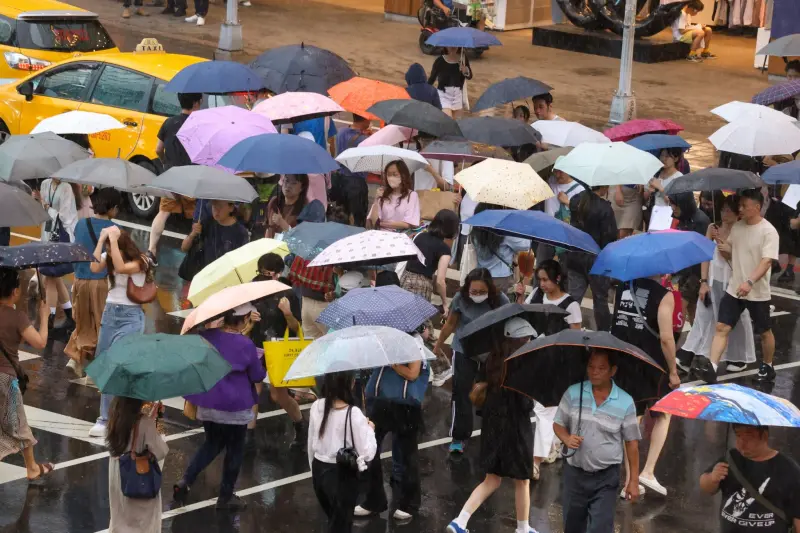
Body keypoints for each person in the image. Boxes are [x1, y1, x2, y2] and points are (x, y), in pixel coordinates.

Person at [446, 318, 539, 533]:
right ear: (521, 340)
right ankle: (523, 528)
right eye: (527, 338)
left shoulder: (491, 360)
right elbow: (525, 404)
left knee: (491, 479)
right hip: (517, 430)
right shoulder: (523, 366)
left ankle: (460, 521)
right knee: (522, 480)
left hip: (492, 427)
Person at [174, 303, 266, 510]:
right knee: (235, 450)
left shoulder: (207, 336)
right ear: (243, 320)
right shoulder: (245, 344)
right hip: (236, 407)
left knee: (212, 443)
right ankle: (225, 496)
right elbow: (257, 375)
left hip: (209, 403)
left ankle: (186, 480)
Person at [696, 189, 780, 384]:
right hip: (734, 288)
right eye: (739, 205)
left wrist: (750, 282)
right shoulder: (738, 227)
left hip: (757, 291)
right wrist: (723, 246)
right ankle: (713, 367)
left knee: (764, 331)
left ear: (757, 207)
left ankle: (768, 365)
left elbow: (767, 261)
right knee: (722, 326)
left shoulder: (768, 231)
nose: (739, 209)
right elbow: (731, 254)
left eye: (744, 205)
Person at [554, 349, 641, 533]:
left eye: (601, 368)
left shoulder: (625, 402)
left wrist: (634, 480)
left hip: (606, 478)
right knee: (572, 527)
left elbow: (632, 443)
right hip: (574, 475)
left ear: (613, 371)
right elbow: (558, 424)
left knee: (600, 528)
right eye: (591, 367)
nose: (594, 372)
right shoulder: (573, 393)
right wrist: (566, 438)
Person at [612, 274, 681, 497]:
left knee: (632, 417)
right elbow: (666, 339)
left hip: (624, 360)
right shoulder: (664, 296)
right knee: (663, 414)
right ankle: (647, 472)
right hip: (651, 363)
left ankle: (629, 479)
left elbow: (617, 325)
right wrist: (673, 371)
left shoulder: (623, 286)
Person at [433, 268, 509, 454]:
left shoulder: (501, 300)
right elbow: (451, 324)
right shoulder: (460, 298)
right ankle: (459, 437)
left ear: (489, 290)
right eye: (473, 291)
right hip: (463, 351)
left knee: (492, 394)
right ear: (467, 288)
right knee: (461, 393)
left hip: (490, 352)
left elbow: (507, 326)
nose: (477, 295)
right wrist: (438, 344)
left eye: (481, 292)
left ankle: (492, 434)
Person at [517, 260, 581, 480]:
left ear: (558, 279)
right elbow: (523, 318)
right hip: (534, 360)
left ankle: (536, 461)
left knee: (545, 410)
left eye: (545, 279)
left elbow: (576, 339)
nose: (542, 284)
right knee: (541, 409)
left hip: (557, 366)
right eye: (540, 279)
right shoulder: (535, 294)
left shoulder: (571, 305)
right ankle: (552, 445)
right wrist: (519, 297)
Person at [678, 195, 756, 374]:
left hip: (733, 279)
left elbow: (736, 261)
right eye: (722, 209)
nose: (724, 213)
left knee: (735, 321)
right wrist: (703, 281)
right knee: (703, 315)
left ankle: (739, 356)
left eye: (729, 210)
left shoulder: (741, 230)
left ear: (738, 214)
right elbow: (706, 255)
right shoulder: (712, 227)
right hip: (713, 278)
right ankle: (687, 353)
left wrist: (725, 246)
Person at [356, 331, 429, 521]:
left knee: (407, 455)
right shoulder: (383, 337)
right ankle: (373, 500)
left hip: (404, 404)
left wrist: (393, 363)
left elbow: (413, 373)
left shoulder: (413, 341)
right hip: (380, 400)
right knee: (368, 449)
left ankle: (410, 503)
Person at [88, 227, 148, 438]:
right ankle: (106, 418)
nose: (107, 246)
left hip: (131, 317)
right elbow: (94, 267)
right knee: (106, 366)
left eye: (111, 243)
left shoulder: (141, 261)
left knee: (119, 366)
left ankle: (112, 418)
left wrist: (112, 240)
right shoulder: (109, 255)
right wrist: (102, 239)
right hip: (110, 314)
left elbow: (122, 268)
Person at [0, 268, 53, 482]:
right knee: (19, 424)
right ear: (14, 291)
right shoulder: (17, 317)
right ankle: (31, 468)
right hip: (6, 380)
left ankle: (32, 466)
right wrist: (44, 317)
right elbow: (40, 342)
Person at [308, 371, 377, 533]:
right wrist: (370, 429)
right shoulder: (353, 413)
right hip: (342, 475)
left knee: (334, 519)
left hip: (319, 471)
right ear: (350, 384)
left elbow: (311, 443)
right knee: (341, 525)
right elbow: (367, 452)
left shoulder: (317, 406)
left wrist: (314, 470)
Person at [250, 254, 308, 446]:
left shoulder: (287, 294)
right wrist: (249, 319)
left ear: (279, 274)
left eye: (269, 274)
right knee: (253, 391)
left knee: (278, 394)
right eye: (262, 273)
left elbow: (295, 327)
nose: (265, 278)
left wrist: (288, 313)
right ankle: (249, 437)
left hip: (278, 347)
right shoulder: (251, 289)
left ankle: (300, 424)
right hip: (256, 345)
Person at [700, 424, 800, 533]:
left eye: (748, 437)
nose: (742, 443)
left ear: (765, 436)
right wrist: (712, 478)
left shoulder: (788, 469)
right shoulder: (731, 458)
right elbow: (706, 487)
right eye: (738, 436)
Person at [65, 189, 121, 378]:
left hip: (80, 280)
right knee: (101, 326)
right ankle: (93, 369)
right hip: (101, 283)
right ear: (112, 209)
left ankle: (75, 359)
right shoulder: (114, 230)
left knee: (83, 323)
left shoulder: (81, 225)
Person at [149, 92, 203, 265]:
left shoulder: (169, 122)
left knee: (163, 212)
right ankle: (194, 252)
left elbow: (158, 149)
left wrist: (166, 163)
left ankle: (151, 250)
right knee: (196, 216)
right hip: (191, 177)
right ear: (196, 103)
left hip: (171, 175)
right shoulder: (199, 125)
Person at [107, 398, 168, 532]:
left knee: (120, 519)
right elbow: (161, 451)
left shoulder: (115, 417)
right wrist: (155, 421)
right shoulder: (144, 422)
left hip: (118, 472)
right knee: (141, 524)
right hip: (138, 476)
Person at [566, 186, 617, 331]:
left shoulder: (575, 201)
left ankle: (567, 332)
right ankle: (603, 336)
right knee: (600, 301)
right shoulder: (604, 208)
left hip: (575, 256)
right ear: (604, 186)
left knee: (573, 299)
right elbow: (610, 238)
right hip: (598, 260)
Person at [36, 176, 78, 333]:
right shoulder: (44, 184)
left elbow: (66, 215)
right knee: (54, 276)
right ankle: (70, 315)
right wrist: (41, 203)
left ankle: (50, 319)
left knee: (50, 277)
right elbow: (43, 210)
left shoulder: (67, 187)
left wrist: (48, 208)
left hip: (60, 235)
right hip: (47, 235)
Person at [401, 208, 458, 312]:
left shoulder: (419, 236)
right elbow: (440, 281)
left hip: (405, 279)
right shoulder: (444, 248)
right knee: (420, 323)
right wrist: (445, 303)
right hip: (421, 285)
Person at [669, 191, 711, 325]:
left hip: (695, 272)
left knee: (679, 309)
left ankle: (675, 342)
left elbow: (701, 250)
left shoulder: (700, 221)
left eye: (675, 205)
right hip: (684, 269)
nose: (673, 208)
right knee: (692, 308)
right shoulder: (683, 218)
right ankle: (696, 340)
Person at [471, 203, 531, 293]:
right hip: (501, 279)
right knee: (500, 306)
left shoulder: (475, 232)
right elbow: (525, 244)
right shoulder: (504, 232)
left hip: (481, 276)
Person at [181, 200, 249, 271]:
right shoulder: (205, 223)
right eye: (213, 206)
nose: (216, 210)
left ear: (231, 208)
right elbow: (184, 248)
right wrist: (193, 233)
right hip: (203, 273)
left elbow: (242, 261)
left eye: (220, 206)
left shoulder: (240, 232)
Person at [537, 166, 585, 265]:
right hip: (547, 233)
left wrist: (567, 202)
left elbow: (584, 212)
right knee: (541, 266)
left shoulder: (580, 189)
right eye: (555, 171)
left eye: (561, 172)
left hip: (566, 235)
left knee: (565, 269)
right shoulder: (550, 182)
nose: (557, 175)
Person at [332, 115, 371, 227]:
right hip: (357, 182)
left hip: (341, 180)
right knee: (359, 219)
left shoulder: (341, 132)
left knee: (341, 216)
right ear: (365, 119)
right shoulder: (365, 140)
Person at [368, 160, 421, 230]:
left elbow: (408, 224)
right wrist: (376, 199)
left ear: (403, 175)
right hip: (380, 235)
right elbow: (373, 221)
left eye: (394, 174)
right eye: (388, 174)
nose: (391, 178)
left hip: (400, 235)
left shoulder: (412, 195)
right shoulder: (382, 193)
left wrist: (381, 223)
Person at [428, 47, 472, 118]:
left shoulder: (463, 59)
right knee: (448, 122)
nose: (452, 47)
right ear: (446, 46)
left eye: (455, 45)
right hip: (443, 96)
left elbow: (469, 76)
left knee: (457, 124)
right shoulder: (439, 61)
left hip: (458, 96)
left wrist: (465, 70)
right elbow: (431, 80)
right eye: (450, 45)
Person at [645, 148, 684, 214]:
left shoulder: (679, 177)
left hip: (667, 216)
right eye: (662, 155)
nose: (663, 159)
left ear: (676, 159)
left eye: (667, 156)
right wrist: (649, 192)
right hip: (652, 214)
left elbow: (676, 204)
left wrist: (660, 188)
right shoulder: (655, 174)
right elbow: (644, 198)